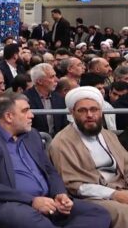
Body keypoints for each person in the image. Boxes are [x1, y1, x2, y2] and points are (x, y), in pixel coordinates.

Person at [0, 92, 110, 228]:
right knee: (33, 221)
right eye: (25, 111)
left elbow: (50, 171)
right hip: (6, 204)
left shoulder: (32, 135)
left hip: (47, 200)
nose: (31, 115)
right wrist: (32, 200)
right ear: (9, 116)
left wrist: (60, 194)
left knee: (97, 213)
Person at [48, 86, 128, 226]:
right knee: (123, 211)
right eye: (82, 110)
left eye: (94, 109)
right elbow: (74, 186)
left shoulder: (108, 135)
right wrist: (113, 194)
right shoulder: (61, 143)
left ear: (101, 111)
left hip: (121, 188)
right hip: (90, 198)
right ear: (72, 113)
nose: (89, 115)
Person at [24, 63, 67, 136]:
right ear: (40, 81)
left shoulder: (59, 98)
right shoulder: (25, 99)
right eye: (52, 77)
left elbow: (64, 125)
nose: (56, 80)